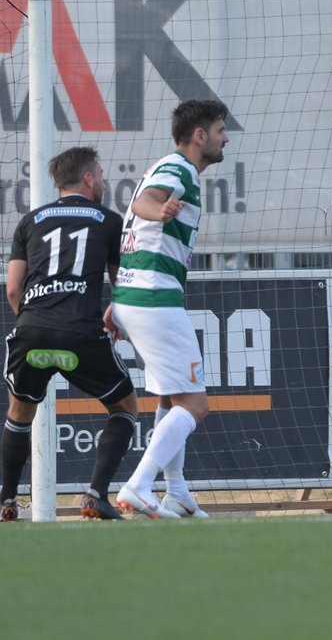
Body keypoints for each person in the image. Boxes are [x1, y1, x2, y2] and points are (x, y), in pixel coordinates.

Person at [0, 146, 137, 522]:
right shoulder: (110, 221)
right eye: (100, 175)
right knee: (125, 408)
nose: (103, 181)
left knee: (19, 412)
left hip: (32, 331)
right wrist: (117, 318)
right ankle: (95, 495)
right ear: (88, 178)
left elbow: (13, 289)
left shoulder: (30, 221)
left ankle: (8, 500)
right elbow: (121, 285)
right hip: (80, 334)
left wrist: (36, 323)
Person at [113, 99, 230, 518]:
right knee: (196, 404)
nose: (225, 139)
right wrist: (158, 210)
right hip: (153, 297)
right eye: (220, 131)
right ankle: (138, 484)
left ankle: (176, 490)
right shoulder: (178, 168)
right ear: (199, 135)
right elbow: (144, 202)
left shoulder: (173, 168)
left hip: (137, 296)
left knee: (170, 395)